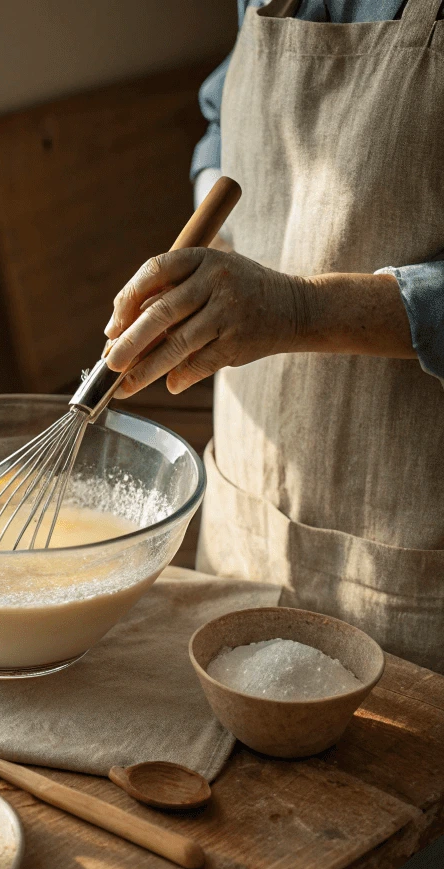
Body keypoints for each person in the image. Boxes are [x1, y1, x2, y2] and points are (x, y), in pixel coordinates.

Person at [103, 0, 444, 671]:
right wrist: (217, 233)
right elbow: (220, 117)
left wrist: (298, 311)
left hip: (416, 571)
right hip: (246, 530)